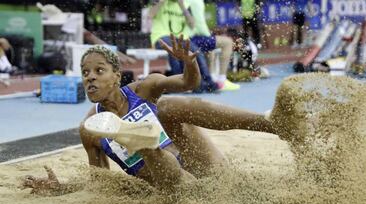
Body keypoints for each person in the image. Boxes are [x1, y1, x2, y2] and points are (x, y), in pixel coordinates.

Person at [23, 34, 275, 193]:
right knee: (166, 169)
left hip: (200, 162)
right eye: (85, 72)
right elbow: (102, 182)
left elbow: (189, 84)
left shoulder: (145, 88)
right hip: (174, 189)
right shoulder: (91, 128)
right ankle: (145, 145)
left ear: (117, 77)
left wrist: (189, 62)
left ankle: (271, 124)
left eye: (99, 71)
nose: (90, 77)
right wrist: (62, 188)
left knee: (167, 107)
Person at [149, 0, 219, 93]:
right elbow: (150, 15)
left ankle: (207, 82)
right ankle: (179, 84)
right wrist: (161, 2)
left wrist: (182, 7)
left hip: (181, 38)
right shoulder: (158, 1)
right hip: (161, 36)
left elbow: (192, 25)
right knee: (174, 53)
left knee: (196, 53)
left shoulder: (185, 4)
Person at [187, 0, 240, 91]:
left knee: (210, 46)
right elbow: (200, 24)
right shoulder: (196, 1)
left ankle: (212, 77)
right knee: (227, 42)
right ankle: (222, 81)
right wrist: (209, 36)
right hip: (190, 39)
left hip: (186, 37)